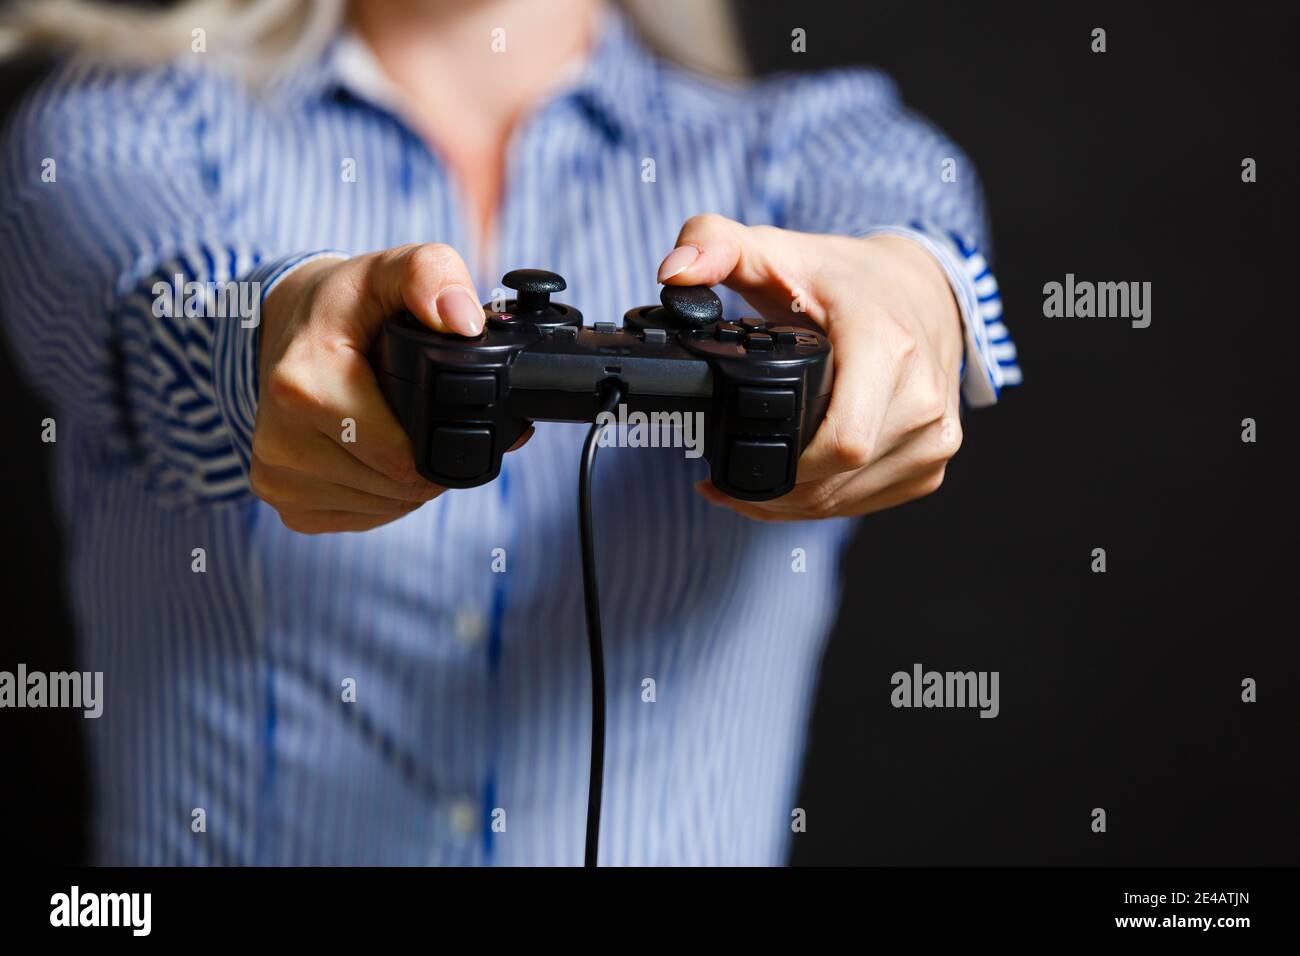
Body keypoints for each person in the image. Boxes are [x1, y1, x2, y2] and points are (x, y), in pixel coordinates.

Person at [0, 0, 1020, 865]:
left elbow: (913, 220)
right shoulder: (111, 129)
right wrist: (275, 334)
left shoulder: (810, 141)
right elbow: (155, 303)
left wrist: (909, 295)